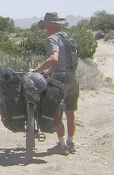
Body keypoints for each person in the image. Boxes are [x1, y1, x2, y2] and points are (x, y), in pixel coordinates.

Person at [30, 12, 79, 156]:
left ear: (50, 25)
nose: (45, 29)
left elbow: (54, 58)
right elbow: (66, 60)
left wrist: (38, 70)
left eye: (45, 26)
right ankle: (71, 142)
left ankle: (62, 145)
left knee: (56, 110)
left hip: (60, 79)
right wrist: (50, 70)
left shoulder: (52, 38)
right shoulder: (68, 38)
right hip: (73, 77)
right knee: (70, 111)